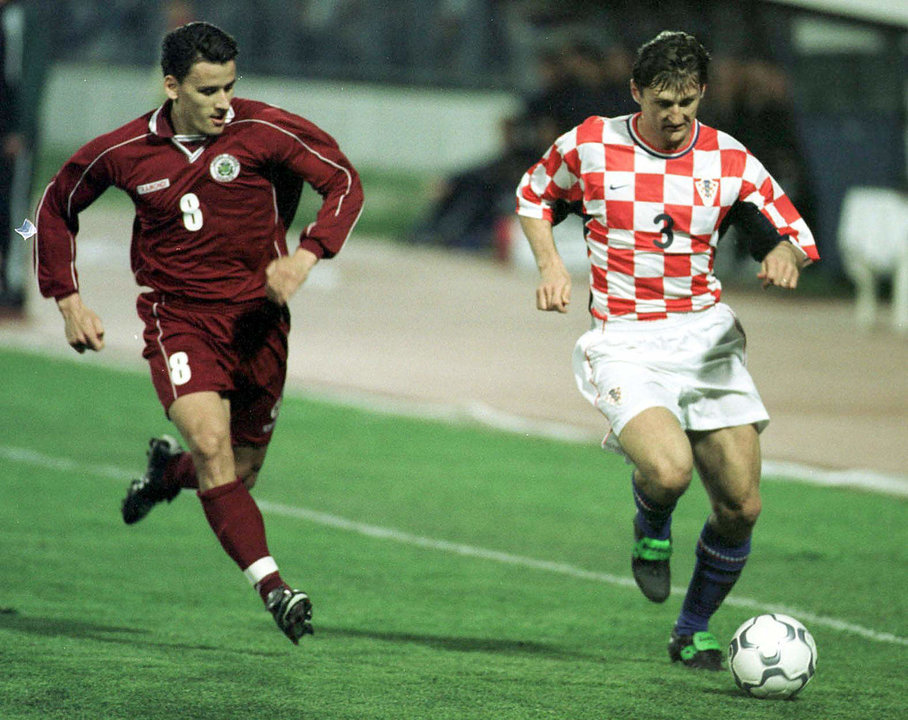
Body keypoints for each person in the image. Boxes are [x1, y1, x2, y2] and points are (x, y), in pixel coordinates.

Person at [34, 21, 364, 644]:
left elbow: (344, 181)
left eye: (229, 88)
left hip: (260, 321)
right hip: (178, 319)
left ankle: (166, 476)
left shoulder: (265, 129)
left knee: (239, 470)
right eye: (208, 90)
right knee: (213, 446)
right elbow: (53, 206)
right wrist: (67, 299)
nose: (222, 103)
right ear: (171, 86)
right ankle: (276, 590)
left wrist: (308, 255)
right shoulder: (124, 150)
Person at [515, 31, 818, 670]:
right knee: (668, 471)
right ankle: (651, 530)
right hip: (625, 340)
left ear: (702, 93)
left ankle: (692, 628)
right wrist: (550, 266)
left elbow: (783, 228)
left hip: (706, 339)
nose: (677, 116)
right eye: (663, 102)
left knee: (741, 506)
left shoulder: (727, 158)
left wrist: (783, 254)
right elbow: (534, 196)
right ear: (636, 93)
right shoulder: (593, 143)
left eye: (687, 101)